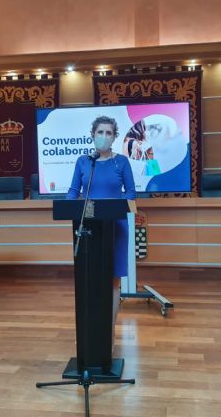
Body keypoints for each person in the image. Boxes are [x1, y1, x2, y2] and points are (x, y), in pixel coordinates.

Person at [66, 115, 136, 347]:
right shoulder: (84, 162)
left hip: (116, 227)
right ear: (93, 134)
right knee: (91, 278)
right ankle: (92, 329)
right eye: (100, 132)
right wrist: (69, 207)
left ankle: (109, 331)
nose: (104, 136)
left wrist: (118, 207)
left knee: (113, 280)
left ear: (114, 137)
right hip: (89, 227)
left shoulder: (122, 162)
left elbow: (131, 192)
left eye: (109, 133)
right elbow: (73, 191)